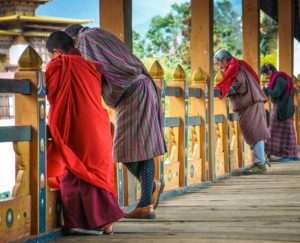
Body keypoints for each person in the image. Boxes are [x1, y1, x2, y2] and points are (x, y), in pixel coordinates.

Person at [64, 25, 166, 219]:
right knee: (142, 146)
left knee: (122, 150)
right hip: (143, 86)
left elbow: (90, 71)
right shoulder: (98, 32)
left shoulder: (85, 40)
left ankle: (150, 189)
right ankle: (146, 200)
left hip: (133, 91)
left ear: (73, 39)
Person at [45, 31, 123, 235]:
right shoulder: (92, 66)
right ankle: (106, 222)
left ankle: (84, 222)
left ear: (56, 51)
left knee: (76, 169)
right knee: (96, 170)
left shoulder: (57, 64)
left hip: (77, 124)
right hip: (99, 124)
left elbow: (53, 95)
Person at [214, 49, 270, 175]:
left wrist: (223, 91)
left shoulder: (234, 67)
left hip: (251, 104)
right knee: (255, 132)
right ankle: (260, 161)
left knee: (255, 133)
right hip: (252, 103)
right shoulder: (235, 65)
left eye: (218, 63)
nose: (218, 67)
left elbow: (240, 84)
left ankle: (260, 164)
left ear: (224, 60)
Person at [261, 63, 298, 161]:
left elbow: (275, 94)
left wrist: (267, 87)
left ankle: (288, 154)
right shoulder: (278, 78)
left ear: (270, 72)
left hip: (282, 109)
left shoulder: (279, 79)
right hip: (284, 108)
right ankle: (289, 154)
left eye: (265, 75)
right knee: (286, 132)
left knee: (279, 131)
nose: (265, 78)